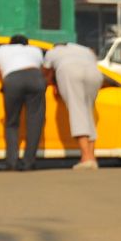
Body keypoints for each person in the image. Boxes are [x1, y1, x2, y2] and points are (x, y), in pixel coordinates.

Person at [43, 39, 105, 171]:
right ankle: (92, 158)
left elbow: (46, 74)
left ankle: (86, 158)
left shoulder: (52, 52)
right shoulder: (84, 49)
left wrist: (53, 83)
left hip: (70, 72)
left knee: (77, 112)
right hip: (95, 75)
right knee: (88, 112)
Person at [0, 34, 48, 171]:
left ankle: (12, 162)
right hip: (35, 78)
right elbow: (42, 70)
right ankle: (29, 162)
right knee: (35, 122)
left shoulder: (1, 49)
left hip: (12, 79)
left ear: (10, 43)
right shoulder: (35, 50)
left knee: (12, 122)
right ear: (26, 44)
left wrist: (3, 84)